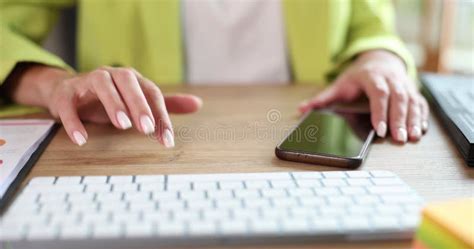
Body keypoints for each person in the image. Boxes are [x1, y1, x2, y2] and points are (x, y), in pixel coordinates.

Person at [0, 0, 429, 147]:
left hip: (311, 138)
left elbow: (371, 25)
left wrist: (380, 58)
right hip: (139, 148)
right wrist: (50, 83)